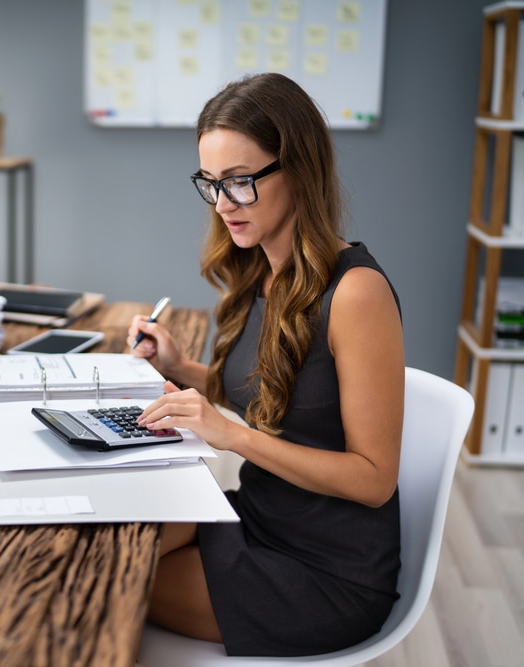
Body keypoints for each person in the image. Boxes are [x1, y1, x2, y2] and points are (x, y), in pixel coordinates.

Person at [128, 72, 405, 657]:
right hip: (259, 516)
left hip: (326, 572)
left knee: (113, 583)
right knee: (109, 544)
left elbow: (374, 479)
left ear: (299, 168)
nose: (224, 204)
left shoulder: (355, 293)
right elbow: (286, 400)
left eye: (241, 182)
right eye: (212, 183)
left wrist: (231, 437)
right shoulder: (263, 270)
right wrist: (184, 370)